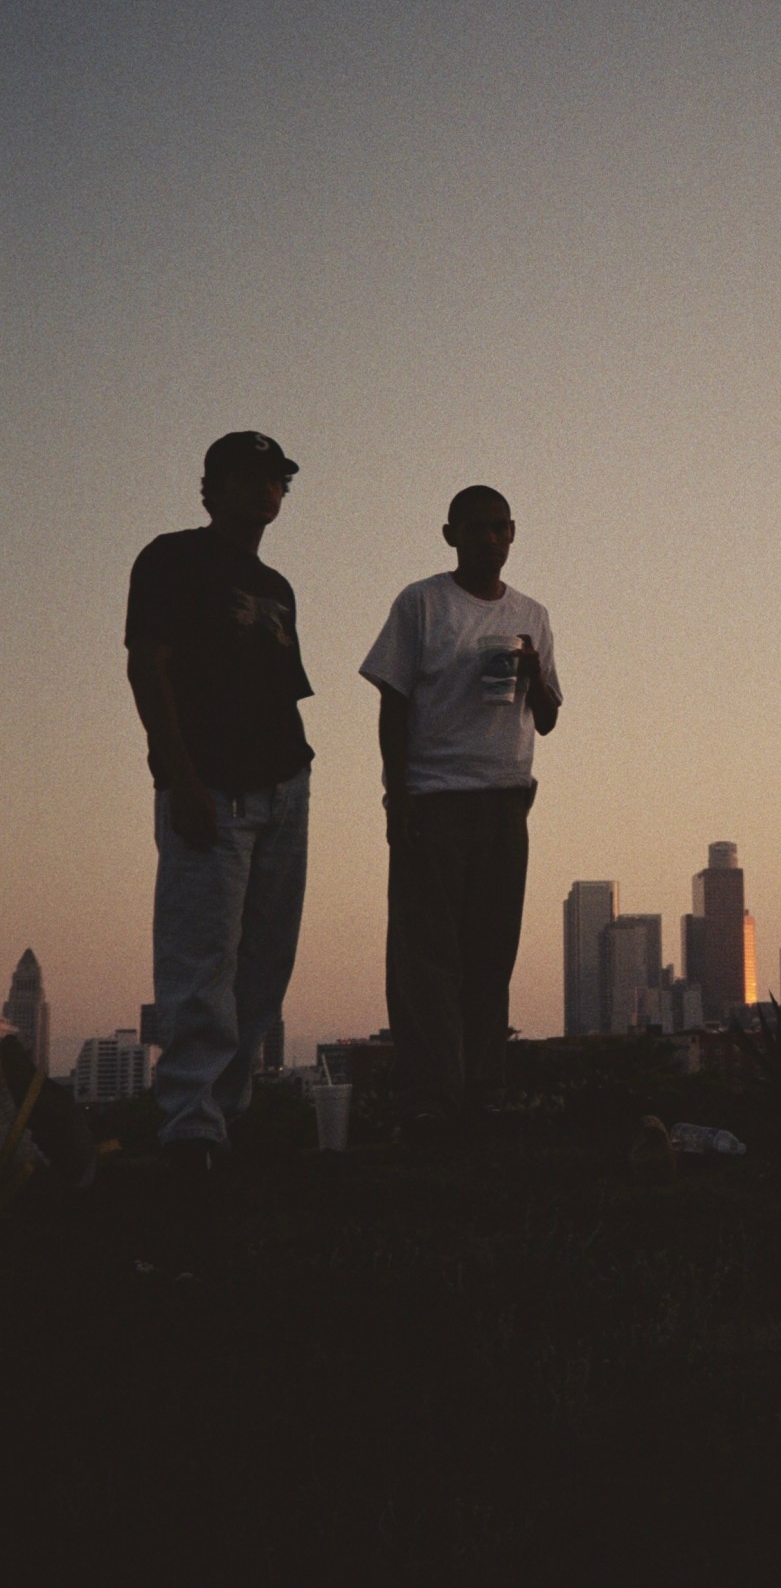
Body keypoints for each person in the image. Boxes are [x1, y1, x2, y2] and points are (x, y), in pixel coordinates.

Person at [126, 432, 313, 1174]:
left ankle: (225, 1120)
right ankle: (189, 1128)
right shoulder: (171, 558)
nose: (267, 489)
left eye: (277, 479)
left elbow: (280, 690)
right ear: (212, 487)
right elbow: (148, 669)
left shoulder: (278, 587)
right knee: (201, 957)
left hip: (285, 787)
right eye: (251, 476)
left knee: (265, 963)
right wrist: (180, 781)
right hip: (213, 788)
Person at [360, 485, 561, 1145]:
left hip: (506, 796)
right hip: (435, 798)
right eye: (472, 529)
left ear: (512, 533)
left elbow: (551, 718)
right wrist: (399, 796)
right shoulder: (422, 604)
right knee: (426, 959)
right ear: (450, 534)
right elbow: (391, 704)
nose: (486, 540)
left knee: (489, 954)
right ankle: (427, 1100)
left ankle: (483, 1092)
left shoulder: (533, 613)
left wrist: (532, 672)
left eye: (497, 528)